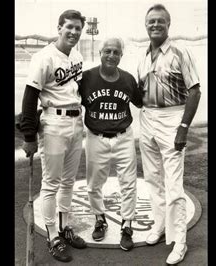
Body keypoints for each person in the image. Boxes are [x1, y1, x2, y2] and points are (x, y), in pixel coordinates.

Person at [19, 9, 87, 263]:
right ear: (59, 28)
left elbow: (78, 89)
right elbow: (30, 97)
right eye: (69, 27)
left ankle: (65, 227)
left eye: (78, 28)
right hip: (54, 123)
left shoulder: (77, 55)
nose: (74, 32)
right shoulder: (43, 56)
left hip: (75, 121)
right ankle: (52, 235)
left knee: (69, 181)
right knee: (51, 183)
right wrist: (29, 136)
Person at [137, 4, 201, 265]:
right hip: (147, 119)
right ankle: (160, 225)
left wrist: (183, 127)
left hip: (172, 118)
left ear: (168, 25)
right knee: (153, 180)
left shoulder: (180, 51)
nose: (155, 25)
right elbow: (140, 90)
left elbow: (195, 91)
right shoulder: (143, 54)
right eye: (151, 21)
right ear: (146, 25)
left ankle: (180, 242)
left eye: (160, 21)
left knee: (174, 185)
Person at [78, 37, 142, 251]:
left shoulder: (128, 79)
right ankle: (100, 218)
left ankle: (127, 224)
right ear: (100, 53)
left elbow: (143, 102)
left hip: (124, 137)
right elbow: (67, 98)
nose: (111, 55)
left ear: (121, 56)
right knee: (94, 184)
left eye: (116, 52)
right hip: (96, 137)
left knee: (129, 183)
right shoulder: (86, 78)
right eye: (108, 51)